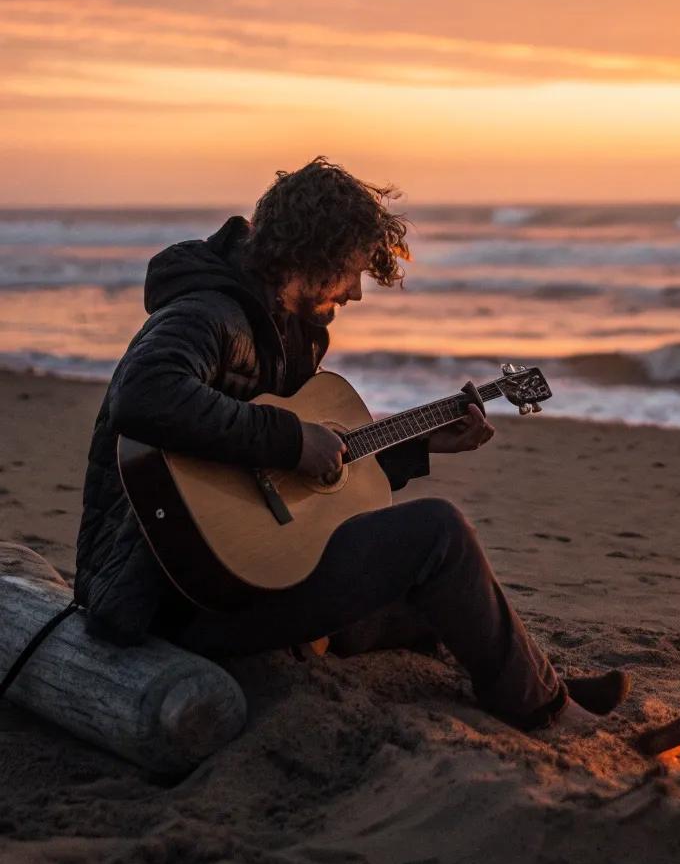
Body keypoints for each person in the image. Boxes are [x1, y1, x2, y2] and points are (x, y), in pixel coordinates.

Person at [73, 157, 629, 735]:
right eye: (352, 270)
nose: (358, 293)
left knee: (434, 593)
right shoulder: (207, 312)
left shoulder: (285, 327)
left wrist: (421, 447)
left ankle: (543, 684)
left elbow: (293, 488)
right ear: (313, 252)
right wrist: (291, 439)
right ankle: (545, 711)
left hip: (234, 577)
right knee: (437, 533)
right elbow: (144, 395)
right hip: (168, 599)